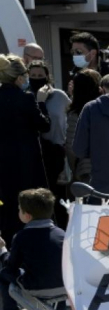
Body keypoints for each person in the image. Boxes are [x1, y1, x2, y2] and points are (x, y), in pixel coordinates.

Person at [0, 54, 50, 248]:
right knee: (32, 204)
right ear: (20, 78)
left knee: (7, 208)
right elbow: (43, 125)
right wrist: (42, 103)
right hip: (26, 162)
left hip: (3, 164)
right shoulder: (26, 98)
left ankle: (9, 249)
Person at [0, 189, 65, 310]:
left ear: (27, 215)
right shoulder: (62, 234)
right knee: (59, 270)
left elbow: (11, 267)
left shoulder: (21, 237)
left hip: (36, 288)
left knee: (4, 275)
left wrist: (3, 249)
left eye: (19, 210)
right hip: (66, 288)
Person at [27, 60, 71, 229]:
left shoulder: (59, 96)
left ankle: (63, 232)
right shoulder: (26, 96)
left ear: (47, 76)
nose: (37, 79)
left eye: (40, 75)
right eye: (33, 76)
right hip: (36, 153)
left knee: (58, 198)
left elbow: (70, 119)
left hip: (58, 152)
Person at [65, 69, 101, 183]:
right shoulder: (105, 110)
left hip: (87, 170)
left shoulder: (76, 114)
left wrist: (74, 168)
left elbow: (71, 146)